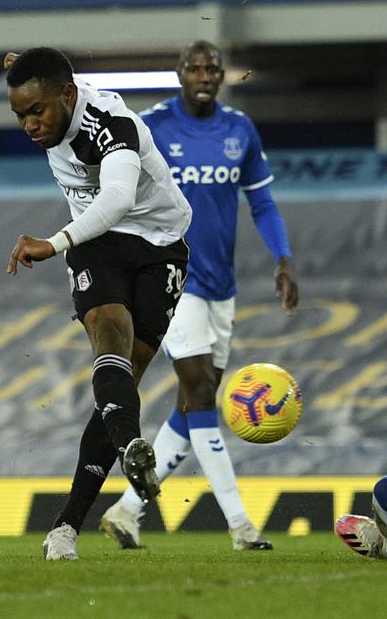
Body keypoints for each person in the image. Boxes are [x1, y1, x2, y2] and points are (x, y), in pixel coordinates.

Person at [99, 40, 297, 551]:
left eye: (212, 69)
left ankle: (126, 511)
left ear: (223, 75)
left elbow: (263, 202)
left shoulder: (239, 130)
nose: (204, 76)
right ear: (180, 73)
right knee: (202, 391)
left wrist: (282, 257)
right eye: (195, 68)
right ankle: (241, 525)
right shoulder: (152, 126)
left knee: (194, 404)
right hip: (170, 278)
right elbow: (115, 190)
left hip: (220, 286)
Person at [4, 47, 192, 560]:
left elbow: (118, 199)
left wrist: (53, 243)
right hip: (97, 240)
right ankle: (126, 454)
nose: (29, 125)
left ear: (67, 96)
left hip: (159, 243)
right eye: (19, 115)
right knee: (109, 335)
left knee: (124, 380)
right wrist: (21, 65)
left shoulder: (111, 125)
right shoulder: (57, 93)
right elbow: (50, 76)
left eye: (36, 111)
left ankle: (69, 518)